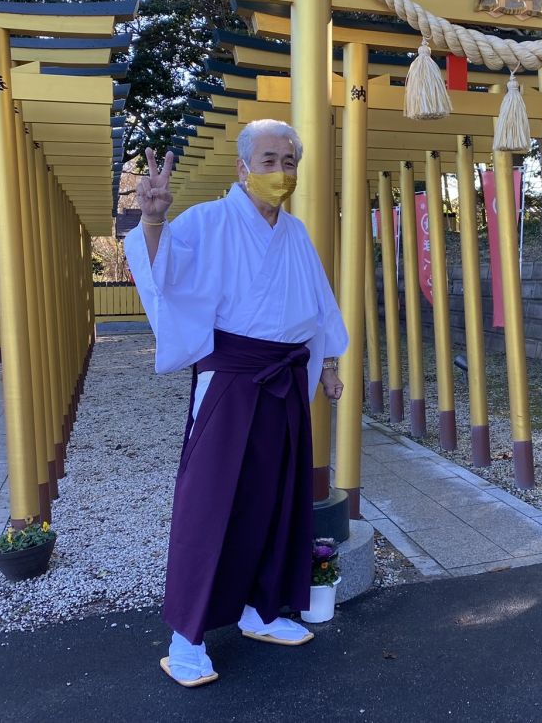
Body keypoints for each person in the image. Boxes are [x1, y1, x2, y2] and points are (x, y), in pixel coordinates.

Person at [126, 118, 348, 688]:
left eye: (289, 161)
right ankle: (186, 638)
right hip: (231, 378)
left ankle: (263, 609)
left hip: (285, 381)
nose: (282, 172)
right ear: (243, 167)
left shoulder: (295, 234)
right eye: (270, 161)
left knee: (275, 501)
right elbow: (164, 272)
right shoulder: (209, 221)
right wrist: (153, 219)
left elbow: (318, 303)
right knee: (210, 503)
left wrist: (327, 363)